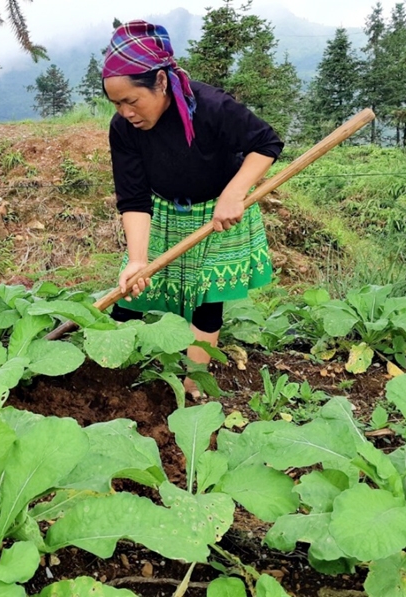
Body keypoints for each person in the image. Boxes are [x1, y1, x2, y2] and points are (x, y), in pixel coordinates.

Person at [102, 20, 284, 398]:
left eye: (131, 101)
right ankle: (110, 379)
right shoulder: (123, 129)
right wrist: (137, 260)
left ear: (161, 83)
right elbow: (134, 198)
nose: (125, 112)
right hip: (165, 211)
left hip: (219, 213)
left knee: (207, 300)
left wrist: (234, 192)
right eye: (116, 103)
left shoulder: (212, 107)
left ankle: (193, 385)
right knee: (132, 293)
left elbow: (265, 143)